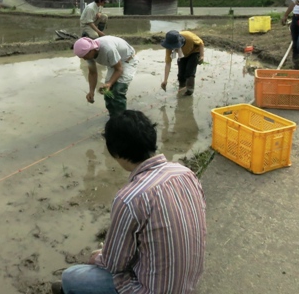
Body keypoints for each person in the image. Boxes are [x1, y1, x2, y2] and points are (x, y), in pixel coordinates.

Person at [52, 110, 207, 294]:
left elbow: (113, 264)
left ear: (116, 152)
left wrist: (97, 256)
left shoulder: (130, 198)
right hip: (186, 284)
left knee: (71, 277)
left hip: (150, 290)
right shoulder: (185, 173)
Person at [73, 36, 138, 117]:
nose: (84, 58)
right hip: (114, 63)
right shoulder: (88, 54)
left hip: (127, 60)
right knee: (107, 92)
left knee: (118, 90)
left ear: (92, 50)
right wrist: (91, 92)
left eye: (85, 56)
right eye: (82, 57)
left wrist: (109, 83)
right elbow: (93, 73)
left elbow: (119, 69)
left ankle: (121, 119)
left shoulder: (108, 49)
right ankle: (113, 116)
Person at [160, 30, 204, 95]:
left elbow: (201, 43)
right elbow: (168, 63)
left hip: (194, 52)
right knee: (181, 75)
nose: (173, 48)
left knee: (189, 72)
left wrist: (202, 56)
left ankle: (189, 91)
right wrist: (165, 80)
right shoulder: (169, 47)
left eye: (175, 46)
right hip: (183, 54)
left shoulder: (189, 37)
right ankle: (182, 87)